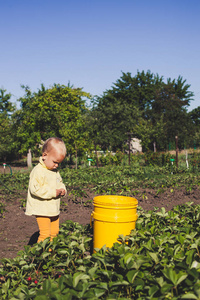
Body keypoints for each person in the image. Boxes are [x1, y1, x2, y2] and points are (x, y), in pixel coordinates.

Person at [25, 137, 67, 243]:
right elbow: (35, 189)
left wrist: (63, 190)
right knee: (45, 234)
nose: (56, 165)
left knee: (55, 232)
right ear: (44, 156)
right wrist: (53, 192)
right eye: (55, 162)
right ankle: (40, 256)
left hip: (53, 208)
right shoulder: (38, 171)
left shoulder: (55, 171)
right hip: (42, 209)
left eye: (58, 163)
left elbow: (60, 182)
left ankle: (51, 254)